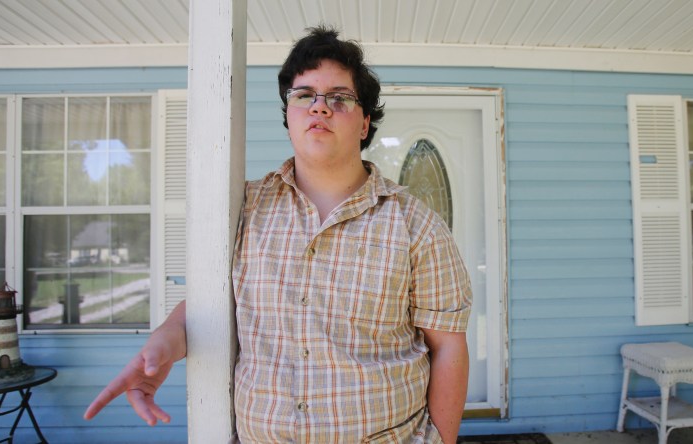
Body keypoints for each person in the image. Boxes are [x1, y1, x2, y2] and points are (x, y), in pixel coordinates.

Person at [84, 25, 472, 443]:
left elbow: (448, 346)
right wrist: (161, 343)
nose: (320, 108)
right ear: (288, 115)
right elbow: (205, 306)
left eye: (339, 98)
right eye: (305, 95)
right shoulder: (243, 208)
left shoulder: (416, 225)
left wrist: (441, 440)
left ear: (364, 123)